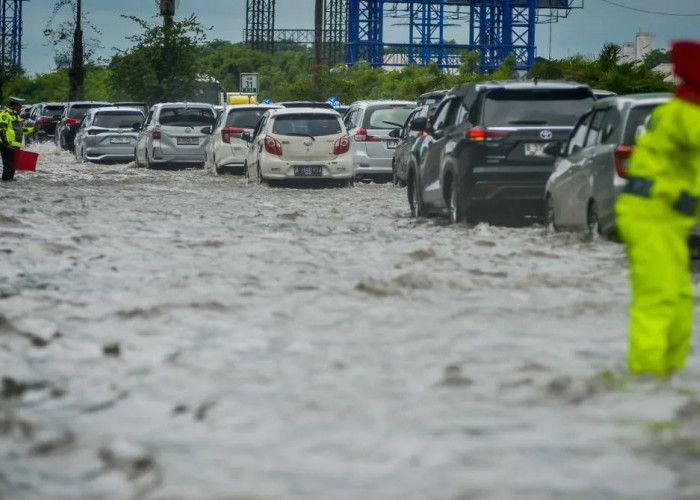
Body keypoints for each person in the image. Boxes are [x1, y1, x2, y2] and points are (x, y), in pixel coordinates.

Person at [615, 40, 700, 378]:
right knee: (659, 300)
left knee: (679, 301)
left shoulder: (681, 111)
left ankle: (668, 378)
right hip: (652, 216)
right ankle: (645, 383)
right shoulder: (686, 116)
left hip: (667, 219)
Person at [0, 96, 27, 181]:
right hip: (7, 145)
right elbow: (1, 129)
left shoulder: (16, 116)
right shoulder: (5, 114)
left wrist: (33, 129)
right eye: (19, 106)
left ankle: (11, 190)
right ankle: (5, 190)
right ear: (14, 105)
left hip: (15, 146)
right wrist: (6, 143)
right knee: (7, 167)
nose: (21, 108)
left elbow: (21, 130)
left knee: (13, 168)